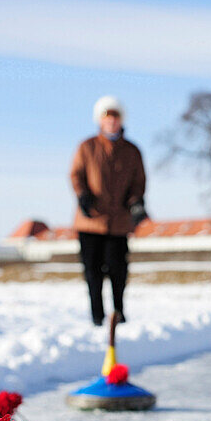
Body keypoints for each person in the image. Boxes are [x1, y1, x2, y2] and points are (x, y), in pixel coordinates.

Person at [70, 96, 147, 326]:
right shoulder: (87, 147)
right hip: (90, 221)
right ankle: (97, 315)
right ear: (100, 121)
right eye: (107, 117)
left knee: (118, 270)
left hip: (119, 223)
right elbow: (76, 175)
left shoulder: (132, 151)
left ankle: (119, 312)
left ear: (121, 120)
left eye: (115, 116)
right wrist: (82, 195)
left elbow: (138, 182)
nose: (111, 121)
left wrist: (135, 202)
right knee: (92, 272)